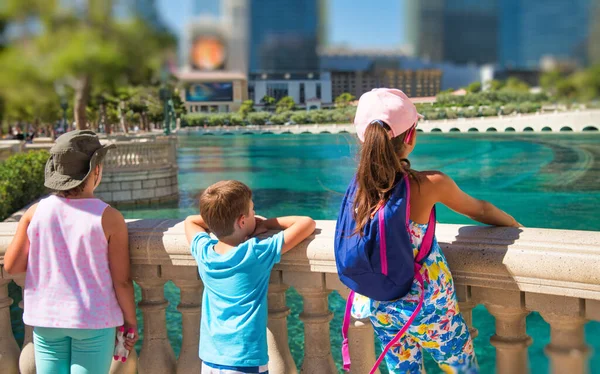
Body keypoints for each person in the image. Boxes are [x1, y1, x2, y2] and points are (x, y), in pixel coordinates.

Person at [338, 88, 520, 374]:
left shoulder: (359, 190)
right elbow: (480, 210)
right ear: (409, 137)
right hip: (430, 305)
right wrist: (512, 223)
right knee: (462, 368)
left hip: (382, 303)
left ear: (363, 137)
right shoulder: (429, 184)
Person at [4, 130, 138, 374]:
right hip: (93, 321)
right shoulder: (109, 217)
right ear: (95, 171)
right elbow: (122, 280)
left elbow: (12, 267)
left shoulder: (35, 212)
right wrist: (130, 321)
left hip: (45, 319)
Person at [184, 180, 316, 374]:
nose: (255, 214)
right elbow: (307, 223)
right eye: (253, 211)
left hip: (211, 359)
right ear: (242, 220)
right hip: (245, 360)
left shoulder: (203, 252)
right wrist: (266, 223)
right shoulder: (255, 253)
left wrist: (218, 219)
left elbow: (190, 221)